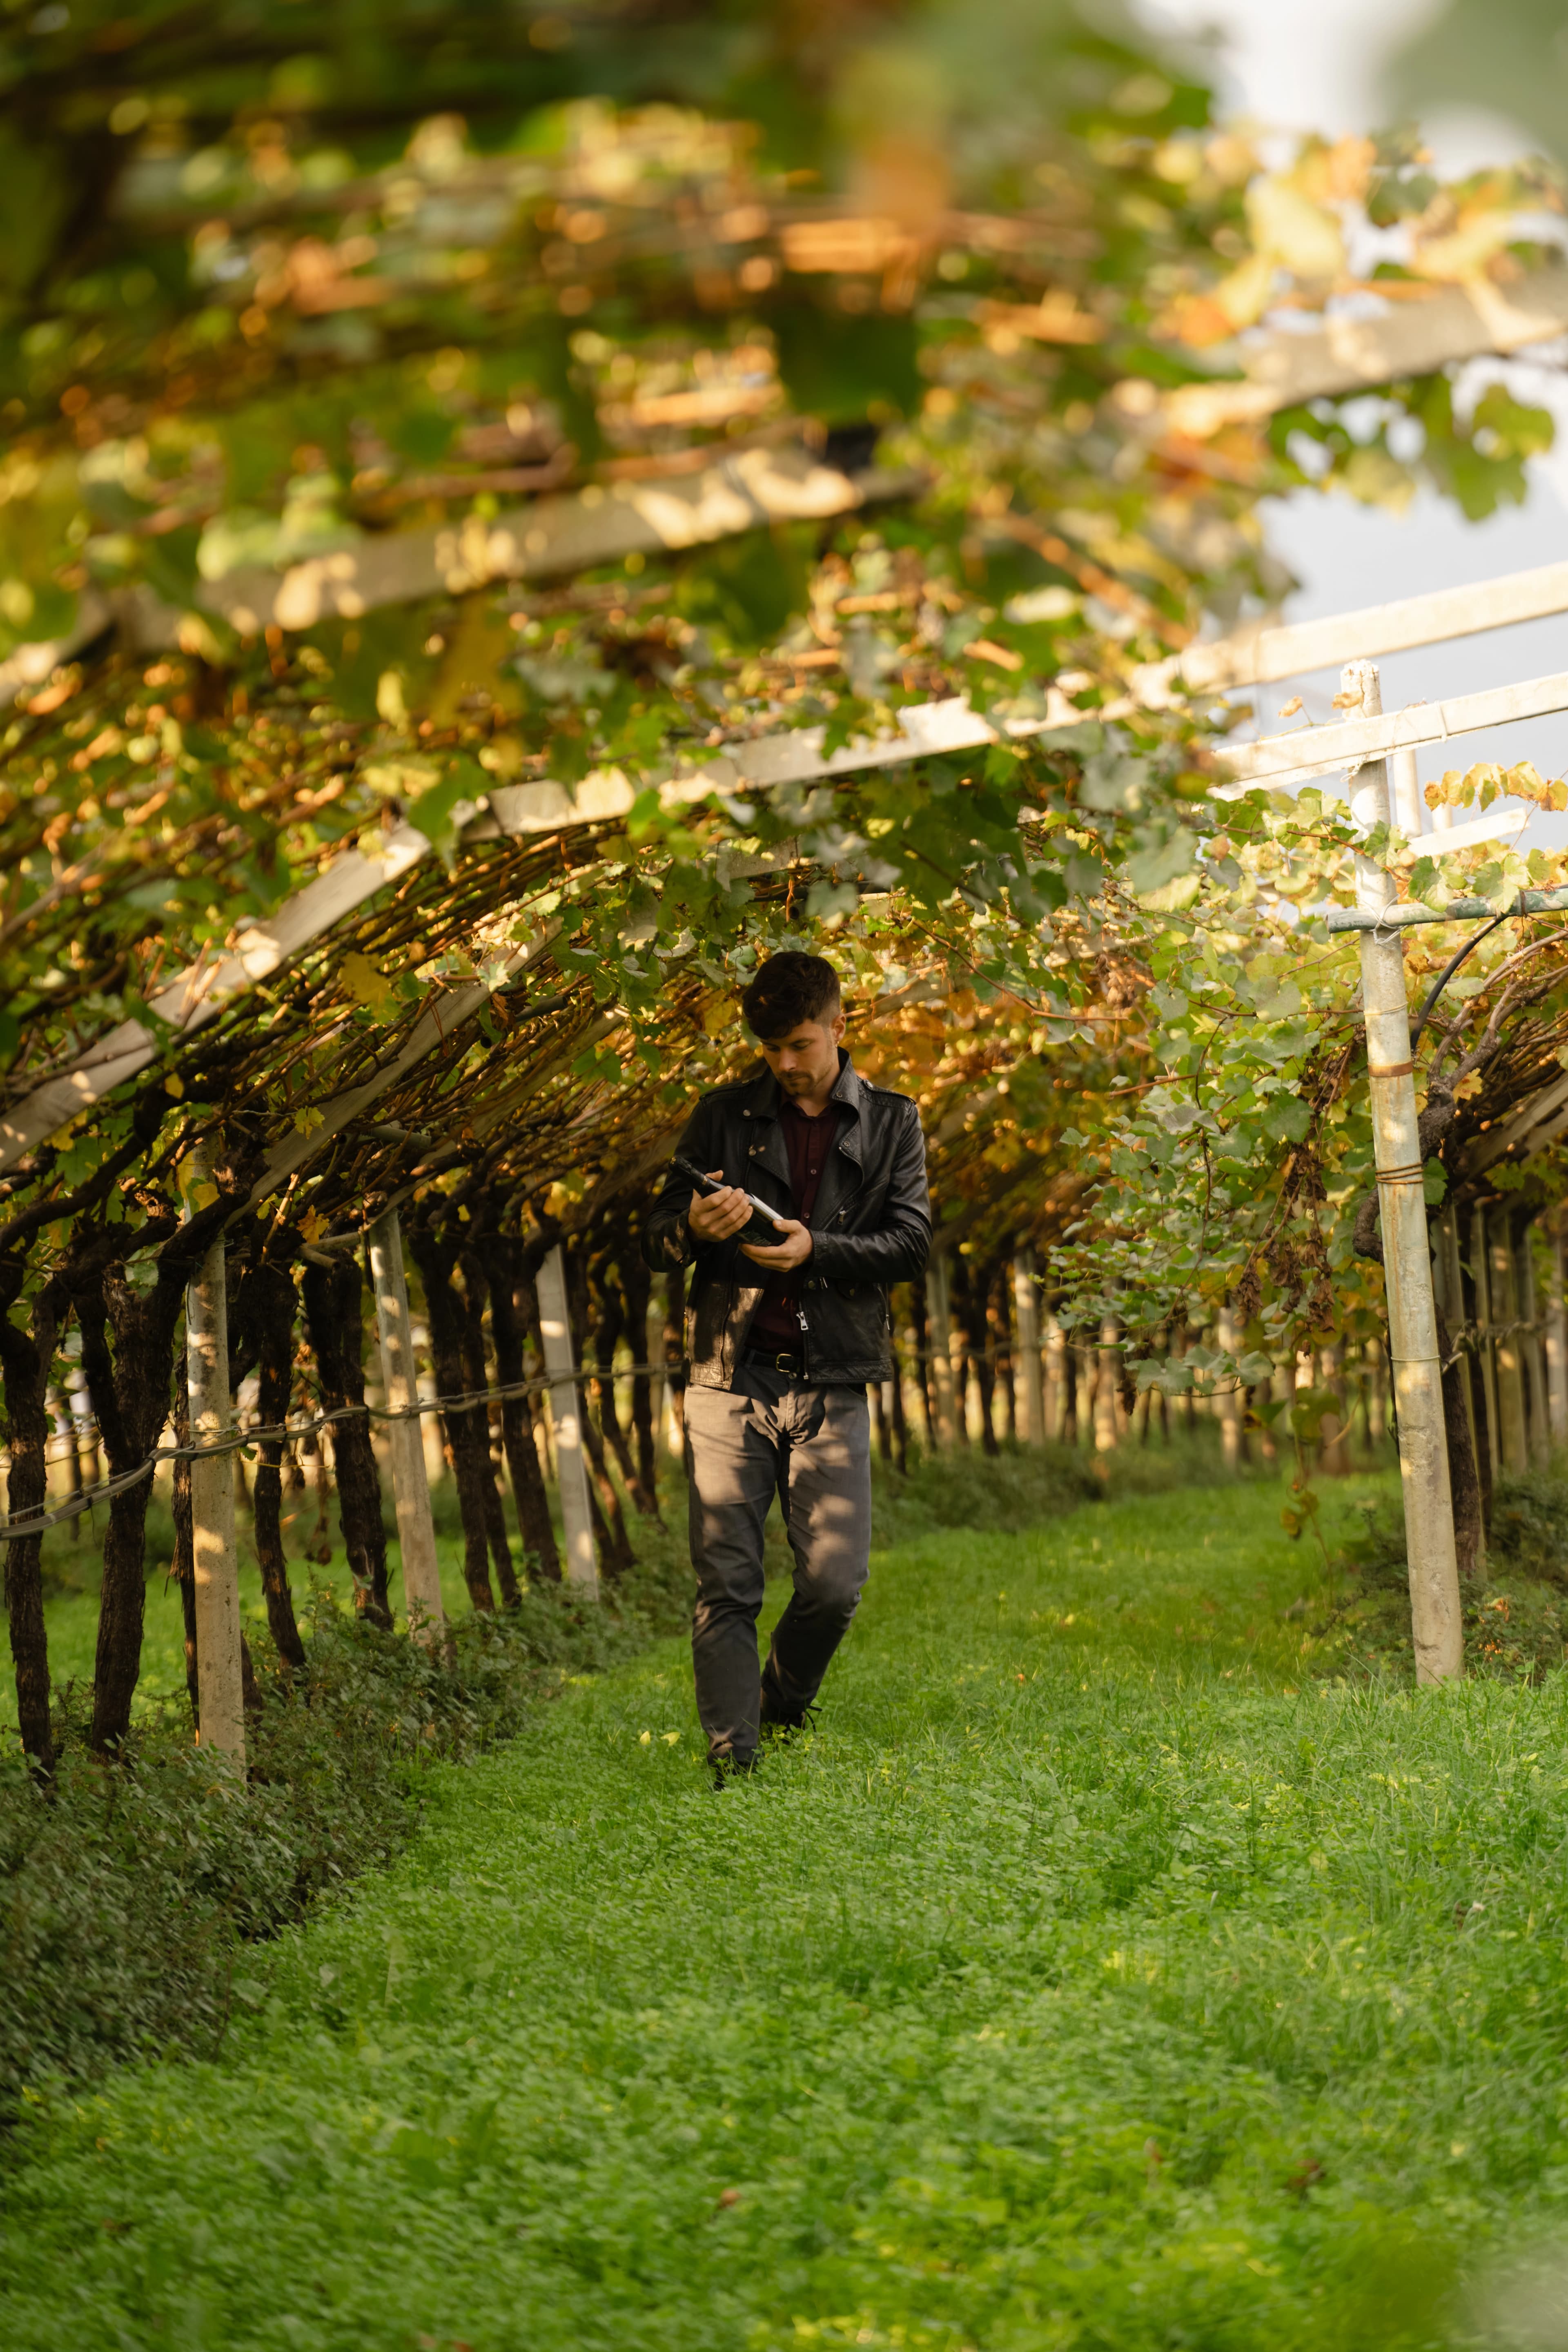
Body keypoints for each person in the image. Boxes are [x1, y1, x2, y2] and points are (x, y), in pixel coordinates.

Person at [644, 951, 931, 1778]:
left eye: (801, 1045)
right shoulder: (723, 1116)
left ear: (840, 1027)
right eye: (770, 1049)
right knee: (727, 1580)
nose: (785, 1065)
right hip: (728, 1376)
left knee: (835, 1584)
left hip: (832, 1373)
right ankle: (733, 1756)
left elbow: (911, 1244)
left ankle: (782, 1699)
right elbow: (653, 1240)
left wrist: (818, 1249)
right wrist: (696, 1228)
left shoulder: (890, 1122)